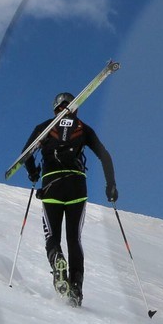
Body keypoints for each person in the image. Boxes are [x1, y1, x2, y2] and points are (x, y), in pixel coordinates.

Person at [21, 92, 118, 306]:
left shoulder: (44, 127)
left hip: (52, 187)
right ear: (75, 107)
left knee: (52, 236)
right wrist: (111, 185)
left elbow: (26, 154)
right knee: (74, 238)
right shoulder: (83, 128)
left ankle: (57, 258)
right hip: (77, 187)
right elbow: (105, 155)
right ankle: (76, 288)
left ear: (55, 107)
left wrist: (34, 173)